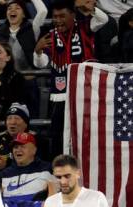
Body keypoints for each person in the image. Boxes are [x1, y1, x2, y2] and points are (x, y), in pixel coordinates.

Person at [34, 0, 108, 161]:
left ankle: (90, 163)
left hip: (86, 92)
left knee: (87, 131)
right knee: (58, 133)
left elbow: (104, 20)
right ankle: (59, 167)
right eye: (55, 16)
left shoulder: (85, 27)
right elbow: (41, 64)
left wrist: (92, 9)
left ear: (73, 15)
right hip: (61, 94)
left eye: (62, 16)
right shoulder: (50, 35)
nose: (58, 20)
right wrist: (38, 52)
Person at [0, 132, 55, 207]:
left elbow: (55, 202)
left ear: (34, 150)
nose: (18, 150)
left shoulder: (48, 170)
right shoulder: (3, 175)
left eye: (23, 146)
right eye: (15, 147)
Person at [0, 0, 48, 72]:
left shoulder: (32, 29)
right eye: (9, 8)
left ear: (24, 14)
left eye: (17, 8)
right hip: (5, 79)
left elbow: (43, 11)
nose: (12, 10)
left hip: (27, 78)